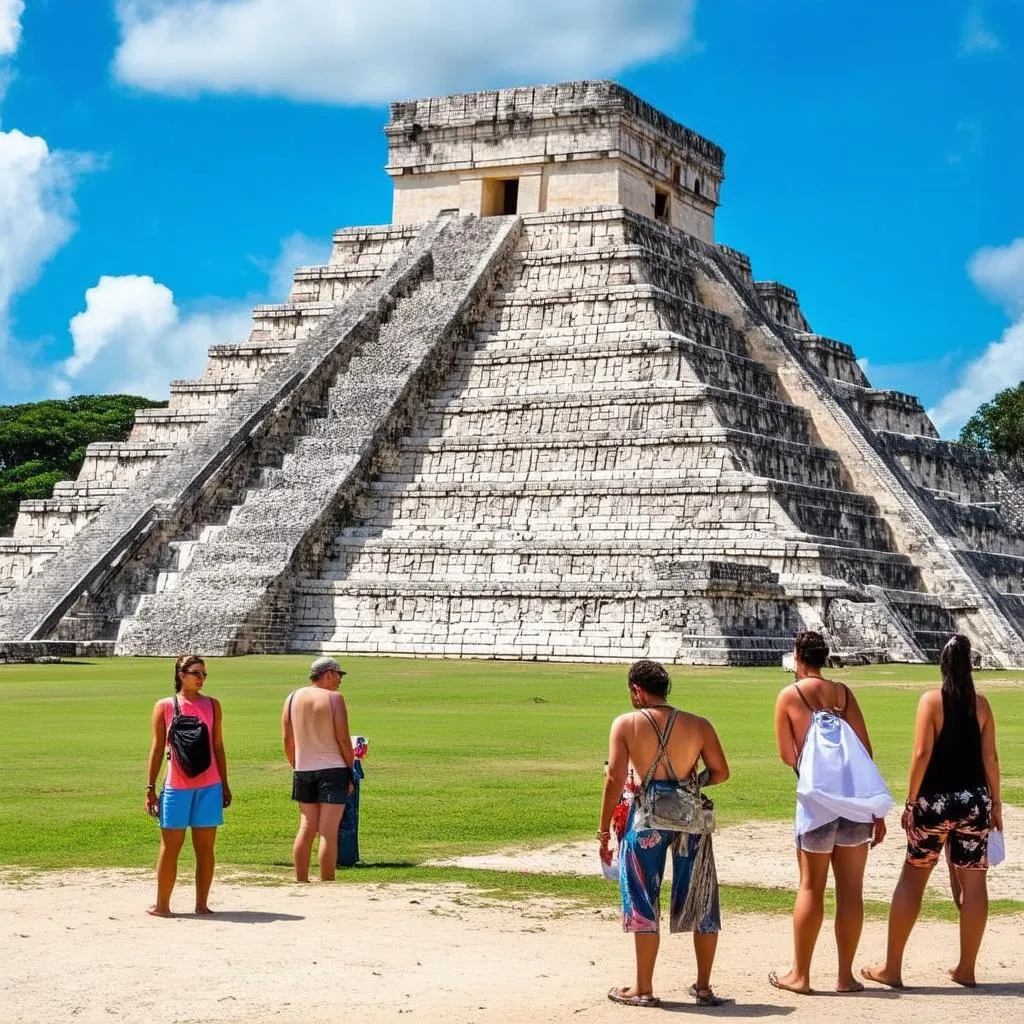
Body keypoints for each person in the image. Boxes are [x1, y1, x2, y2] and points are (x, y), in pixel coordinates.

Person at [862, 634, 1002, 989]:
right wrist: (996, 804)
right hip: (974, 801)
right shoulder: (981, 705)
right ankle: (966, 969)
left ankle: (892, 968)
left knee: (914, 877)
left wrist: (911, 802)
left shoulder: (930, 701)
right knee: (974, 883)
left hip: (935, 801)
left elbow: (922, 754)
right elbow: (990, 759)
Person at [598, 659, 730, 1008]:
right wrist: (689, 785)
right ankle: (703, 986)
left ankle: (643, 987)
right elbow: (720, 772)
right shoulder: (698, 724)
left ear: (637, 690)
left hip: (646, 821)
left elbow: (613, 779)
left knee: (643, 898)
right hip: (691, 820)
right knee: (701, 896)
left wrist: (602, 830)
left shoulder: (626, 724)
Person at [770, 631, 891, 994]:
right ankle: (844, 976)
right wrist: (875, 810)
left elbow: (788, 755)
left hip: (817, 804)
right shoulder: (843, 694)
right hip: (854, 803)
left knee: (811, 886)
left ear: (797, 657)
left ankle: (801, 975)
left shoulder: (789, 696)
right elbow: (864, 749)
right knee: (851, 891)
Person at [144, 655, 231, 917]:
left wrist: (225, 784)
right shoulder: (165, 706)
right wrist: (149, 787)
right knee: (170, 847)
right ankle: (162, 906)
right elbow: (158, 748)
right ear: (181, 674)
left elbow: (218, 747)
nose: (201, 678)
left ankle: (201, 904)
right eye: (196, 673)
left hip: (209, 785)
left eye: (204, 674)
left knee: (205, 849)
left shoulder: (213, 706)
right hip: (176, 787)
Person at [282, 656, 354, 882]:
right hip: (333, 767)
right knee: (328, 831)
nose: (340, 681)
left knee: (306, 827)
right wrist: (351, 768)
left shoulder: (292, 698)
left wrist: (295, 763)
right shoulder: (334, 698)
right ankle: (327, 880)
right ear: (329, 674)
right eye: (339, 675)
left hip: (304, 769)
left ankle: (301, 879)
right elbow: (343, 739)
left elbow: (287, 738)